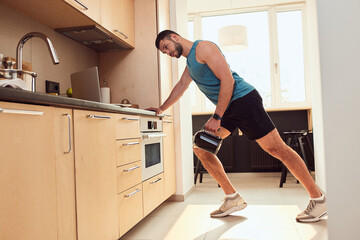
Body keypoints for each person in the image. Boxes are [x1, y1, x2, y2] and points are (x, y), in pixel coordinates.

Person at [147, 29, 327, 223]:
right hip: (228, 107)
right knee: (201, 148)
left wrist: (217, 116)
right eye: (165, 53)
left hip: (243, 101)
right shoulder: (190, 62)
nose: (169, 53)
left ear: (174, 37)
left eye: (167, 47)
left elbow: (228, 80)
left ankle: (318, 199)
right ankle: (232, 198)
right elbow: (181, 85)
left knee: (277, 149)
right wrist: (161, 108)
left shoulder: (204, 47)